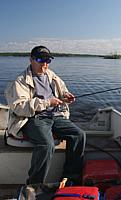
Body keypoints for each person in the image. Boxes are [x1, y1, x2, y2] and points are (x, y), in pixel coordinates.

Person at [5, 45, 86, 185]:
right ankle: (34, 185)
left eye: (48, 60)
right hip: (33, 118)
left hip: (55, 116)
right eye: (40, 59)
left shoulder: (51, 75)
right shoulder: (20, 81)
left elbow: (62, 90)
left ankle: (70, 177)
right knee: (46, 144)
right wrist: (47, 103)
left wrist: (67, 95)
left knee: (79, 135)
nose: (45, 64)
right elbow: (19, 107)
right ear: (31, 59)